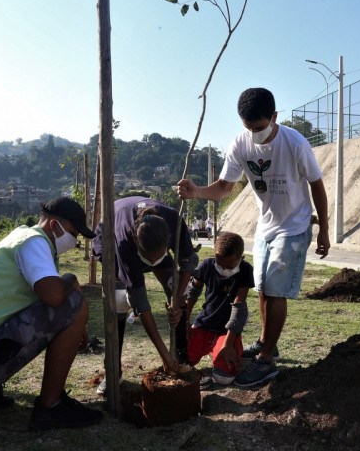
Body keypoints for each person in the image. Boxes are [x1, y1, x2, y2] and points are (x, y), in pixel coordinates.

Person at [177, 87, 330, 387]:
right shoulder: (241, 143)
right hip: (267, 226)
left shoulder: (295, 143)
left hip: (295, 226)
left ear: (274, 117)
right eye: (248, 128)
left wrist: (323, 228)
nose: (253, 134)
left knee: (274, 290)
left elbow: (317, 185)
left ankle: (266, 361)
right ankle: (264, 343)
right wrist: (197, 191)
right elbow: (224, 187)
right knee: (260, 287)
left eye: (259, 128)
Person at [0, 197, 103, 430]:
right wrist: (71, 280)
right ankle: (51, 406)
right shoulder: (34, 242)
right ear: (55, 226)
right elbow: (54, 296)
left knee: (63, 299)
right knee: (75, 303)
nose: (74, 242)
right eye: (74, 234)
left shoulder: (20, 238)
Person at [92, 196, 198, 394]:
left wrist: (176, 300)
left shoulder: (174, 221)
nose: (152, 264)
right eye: (148, 260)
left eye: (157, 258)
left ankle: (181, 358)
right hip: (111, 239)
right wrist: (163, 353)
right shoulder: (124, 242)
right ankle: (113, 370)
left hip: (150, 240)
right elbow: (141, 301)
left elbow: (187, 261)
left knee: (176, 288)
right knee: (119, 302)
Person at [184, 232, 253, 387]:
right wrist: (185, 320)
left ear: (240, 258)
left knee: (224, 378)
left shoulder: (245, 270)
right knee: (182, 361)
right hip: (205, 323)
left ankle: (223, 347)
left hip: (227, 330)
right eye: (219, 263)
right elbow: (192, 292)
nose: (223, 268)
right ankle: (211, 347)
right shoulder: (207, 265)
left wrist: (228, 344)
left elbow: (239, 307)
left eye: (229, 265)